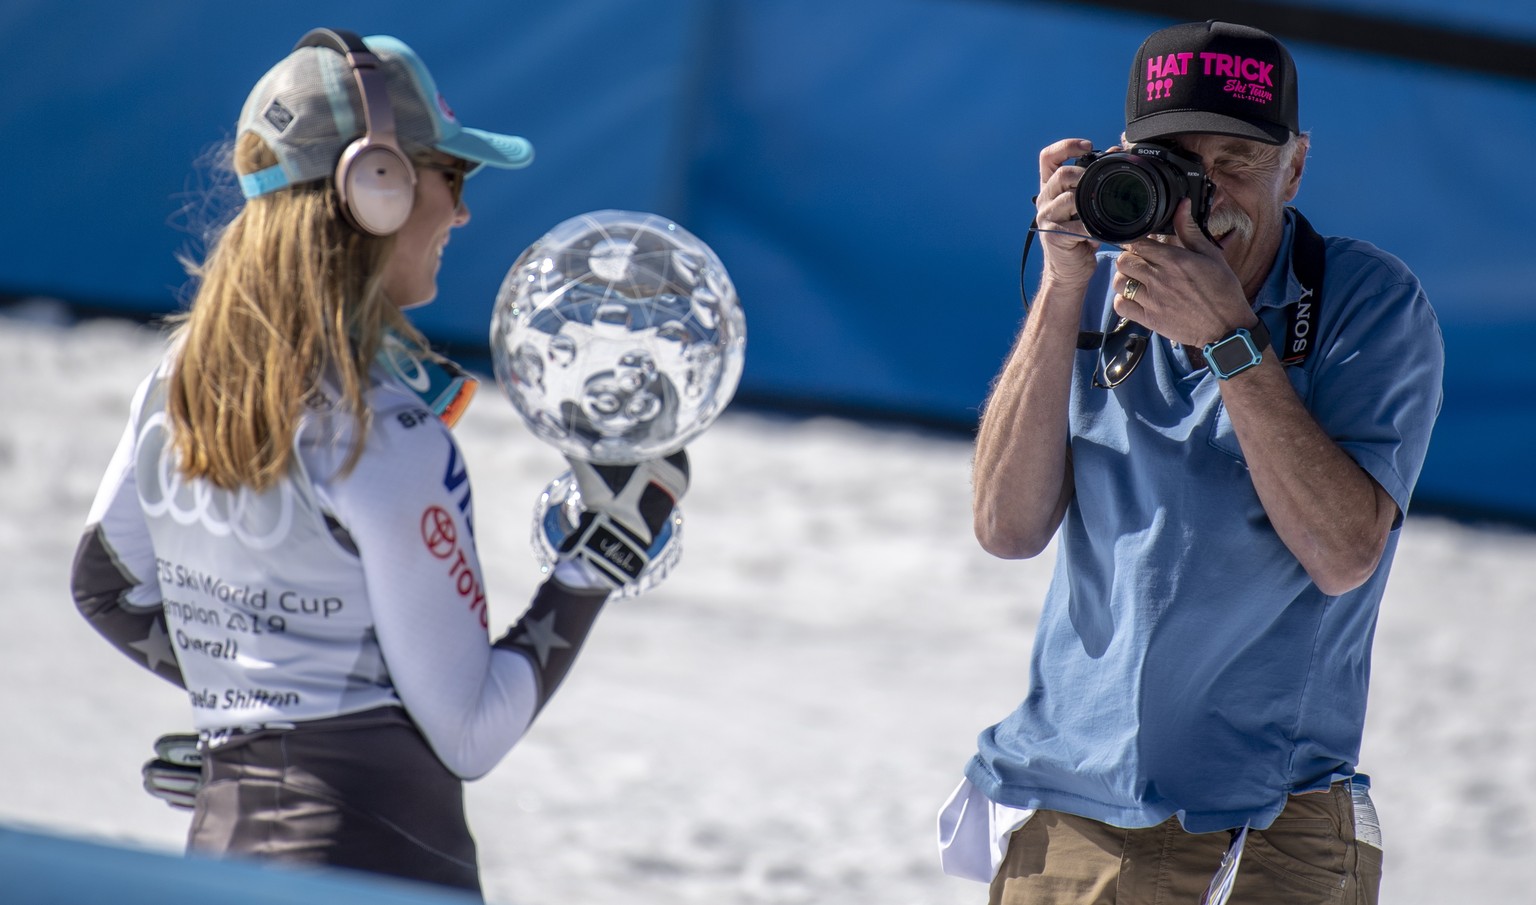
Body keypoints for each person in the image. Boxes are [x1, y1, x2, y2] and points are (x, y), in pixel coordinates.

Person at [70, 28, 688, 899]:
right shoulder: (388, 433)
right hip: (377, 862)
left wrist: (243, 712)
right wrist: (591, 565)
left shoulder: (179, 384)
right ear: (376, 189)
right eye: (453, 177)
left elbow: (104, 585)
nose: (463, 212)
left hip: (219, 853)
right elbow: (471, 731)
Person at [937, 20, 1442, 905]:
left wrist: (1231, 344)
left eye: (1237, 160)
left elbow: (1342, 551)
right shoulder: (1097, 283)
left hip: (1263, 832)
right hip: (1065, 815)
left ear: (1296, 166)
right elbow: (1006, 528)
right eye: (1173, 158)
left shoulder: (1365, 302)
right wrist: (1060, 286)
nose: (1205, 192)